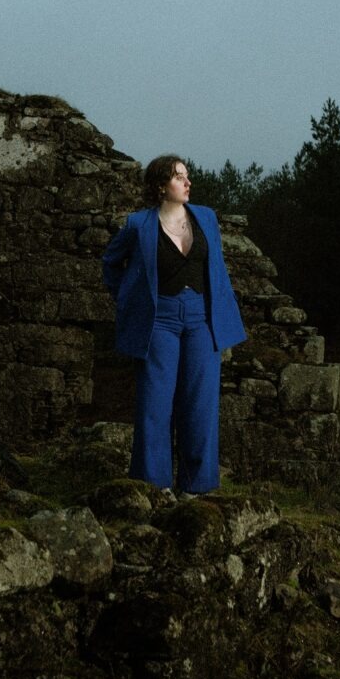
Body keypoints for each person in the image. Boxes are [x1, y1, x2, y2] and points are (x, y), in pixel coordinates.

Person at [102, 155, 246, 496]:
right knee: (155, 403)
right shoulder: (138, 225)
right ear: (160, 186)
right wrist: (132, 299)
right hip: (160, 320)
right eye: (179, 177)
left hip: (202, 319)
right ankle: (155, 487)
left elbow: (215, 269)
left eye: (187, 175)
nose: (187, 182)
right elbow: (110, 263)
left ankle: (197, 487)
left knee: (201, 403)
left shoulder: (206, 218)